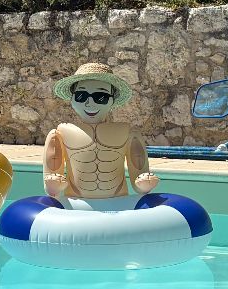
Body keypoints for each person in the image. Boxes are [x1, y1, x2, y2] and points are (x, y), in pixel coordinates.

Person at [43, 62, 159, 202]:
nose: (90, 103)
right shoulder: (61, 134)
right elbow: (52, 174)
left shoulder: (126, 133)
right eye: (81, 96)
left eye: (100, 97)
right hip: (76, 203)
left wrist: (144, 184)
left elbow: (139, 174)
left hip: (118, 202)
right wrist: (53, 186)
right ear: (72, 100)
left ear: (112, 100)